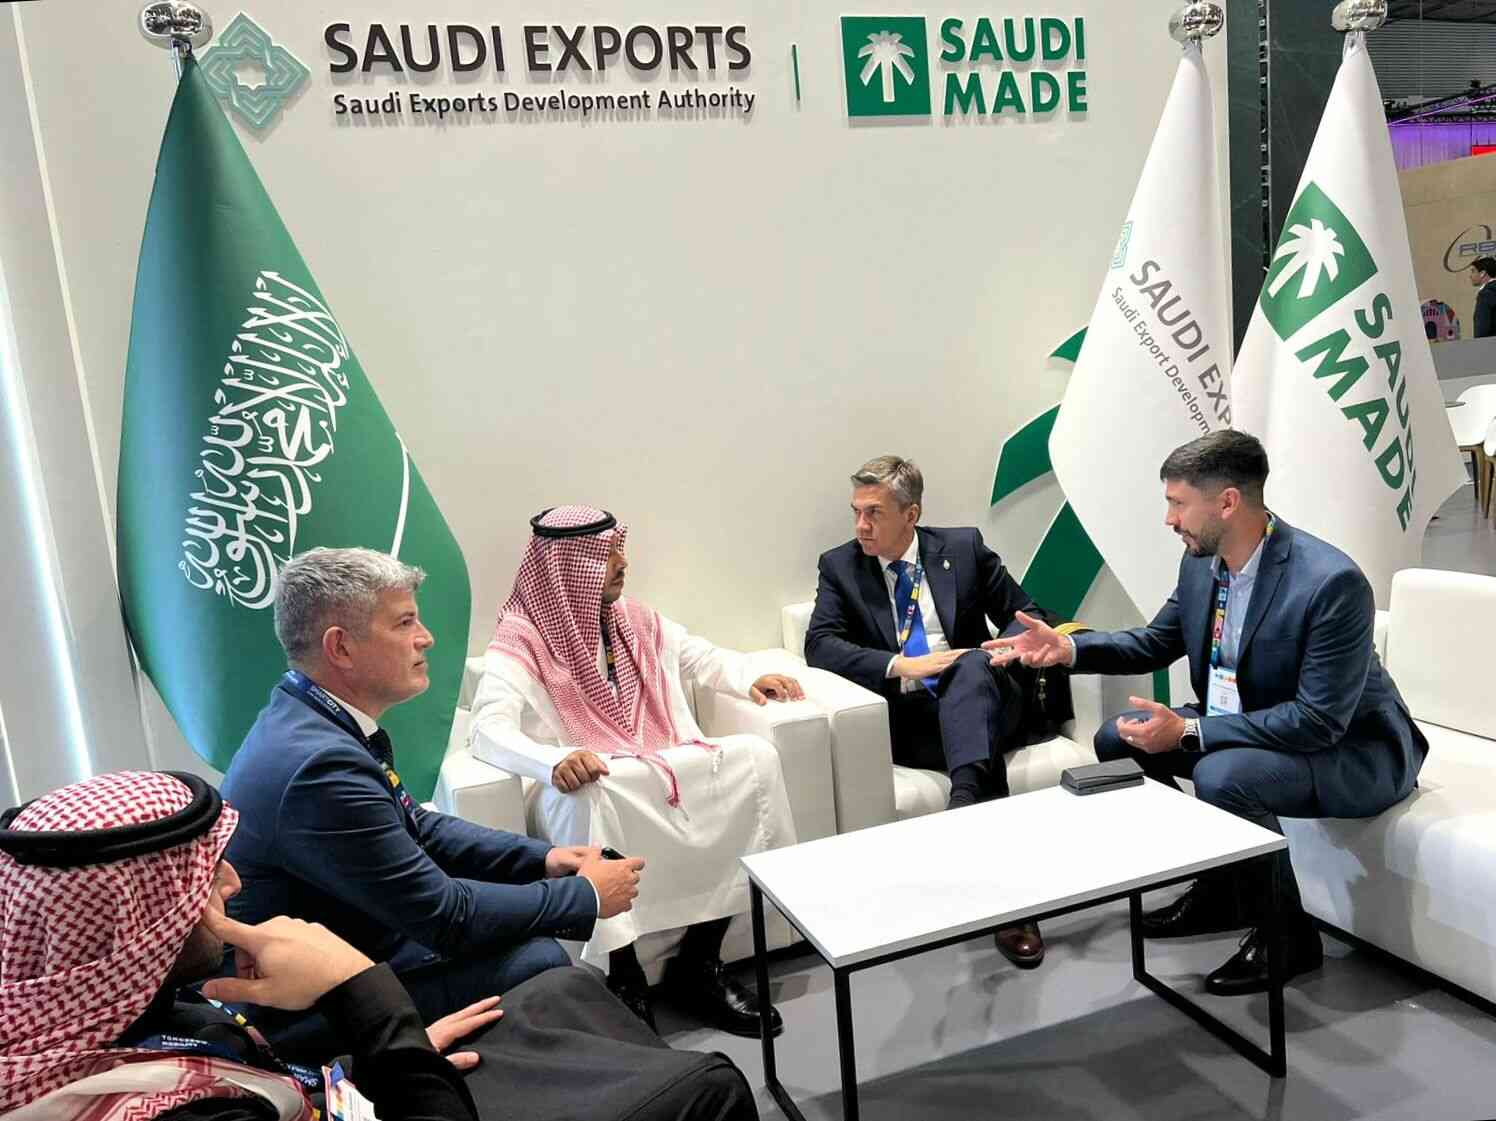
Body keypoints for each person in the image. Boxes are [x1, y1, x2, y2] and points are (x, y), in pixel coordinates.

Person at [0, 770, 759, 1121]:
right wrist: (364, 994)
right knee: (710, 1085)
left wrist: (374, 1065)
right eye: (200, 876)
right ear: (127, 926)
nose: (231, 881)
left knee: (562, 988)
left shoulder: (129, 1017)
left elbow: (419, 826)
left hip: (346, 1086)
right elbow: (441, 911)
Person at [988, 430, 1428, 996]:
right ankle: (1222, 891)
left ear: (1227, 502)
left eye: (1178, 503)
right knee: (1118, 738)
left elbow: (1319, 721)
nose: (1169, 519)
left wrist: (1192, 729)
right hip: (1255, 722)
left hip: (1356, 750)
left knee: (1223, 775)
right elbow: (1154, 642)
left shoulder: (1329, 581)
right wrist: (1068, 648)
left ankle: (1289, 938)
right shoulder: (1202, 564)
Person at [222, 547, 644, 1054]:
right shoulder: (319, 768)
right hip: (305, 1011)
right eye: (404, 623)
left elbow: (416, 824)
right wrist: (586, 897)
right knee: (539, 963)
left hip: (356, 943)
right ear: (341, 648)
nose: (426, 637)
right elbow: (446, 918)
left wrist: (545, 857)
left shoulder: (309, 719)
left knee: (533, 948)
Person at [470, 506, 801, 1037]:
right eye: (606, 554)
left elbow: (701, 657)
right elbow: (487, 729)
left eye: (619, 548)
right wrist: (552, 760)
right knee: (594, 791)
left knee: (755, 759)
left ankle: (700, 960)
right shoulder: (522, 639)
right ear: (569, 566)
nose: (622, 562)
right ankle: (624, 976)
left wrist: (750, 676)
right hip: (578, 785)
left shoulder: (634, 619)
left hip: (653, 766)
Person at [803, 455, 1053, 970]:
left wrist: (1001, 650)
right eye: (856, 512)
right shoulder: (841, 566)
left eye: (874, 513)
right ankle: (1011, 903)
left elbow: (1025, 614)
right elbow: (820, 644)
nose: (860, 526)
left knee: (971, 667)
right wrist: (903, 664)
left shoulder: (962, 548)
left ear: (911, 514)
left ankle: (961, 809)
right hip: (914, 720)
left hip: (984, 696)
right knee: (979, 747)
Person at [1470, 255, 1496, 338]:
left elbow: (1482, 330)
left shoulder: (1485, 294)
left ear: (1482, 273)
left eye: (1473, 271)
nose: (1470, 275)